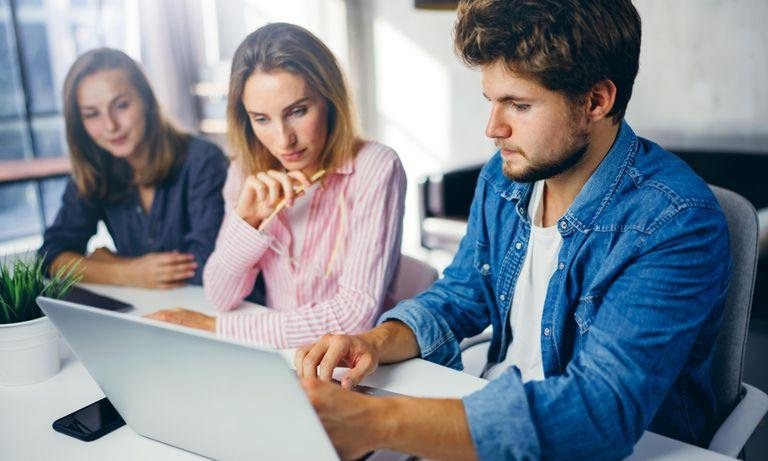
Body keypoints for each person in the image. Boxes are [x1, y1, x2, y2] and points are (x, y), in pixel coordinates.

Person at [295, 1, 731, 460]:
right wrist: (372, 342)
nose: (493, 127)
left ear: (596, 101)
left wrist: (376, 424)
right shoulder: (505, 178)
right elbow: (464, 293)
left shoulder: (676, 222)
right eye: (491, 101)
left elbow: (598, 413)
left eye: (519, 105)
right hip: (489, 423)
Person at [148, 23, 406, 348]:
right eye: (261, 119)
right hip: (275, 358)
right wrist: (247, 223)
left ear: (329, 99)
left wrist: (217, 328)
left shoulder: (376, 166)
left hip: (354, 365)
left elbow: (354, 316)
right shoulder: (244, 172)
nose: (284, 140)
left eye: (297, 111)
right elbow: (220, 295)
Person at [39, 48, 227, 289]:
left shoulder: (203, 160)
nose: (110, 126)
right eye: (91, 114)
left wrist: (109, 263)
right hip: (143, 312)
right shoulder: (95, 167)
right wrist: (123, 272)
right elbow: (51, 256)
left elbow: (210, 268)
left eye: (121, 106)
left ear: (146, 100)